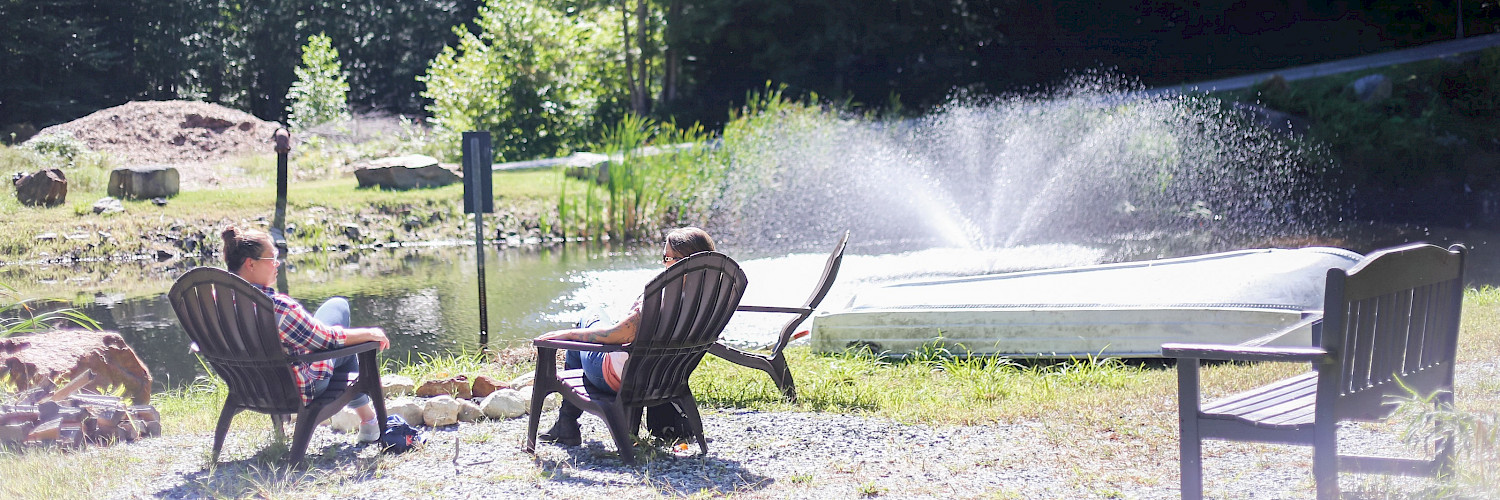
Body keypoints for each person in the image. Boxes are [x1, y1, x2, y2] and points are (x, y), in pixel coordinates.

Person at [534, 227, 716, 445]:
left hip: (620, 378)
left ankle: (566, 422)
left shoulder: (663, 296)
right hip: (668, 378)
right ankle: (566, 423)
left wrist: (567, 334)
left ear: (684, 261)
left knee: (587, 318)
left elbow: (616, 335)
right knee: (593, 320)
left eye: (668, 257)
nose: (664, 263)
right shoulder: (712, 298)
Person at [221, 225, 391, 442]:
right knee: (341, 317)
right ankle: (369, 422)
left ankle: (369, 422)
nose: (277, 264)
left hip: (248, 385)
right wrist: (369, 333)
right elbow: (327, 340)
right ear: (250, 263)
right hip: (297, 386)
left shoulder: (216, 302)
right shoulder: (276, 307)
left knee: (335, 326)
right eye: (272, 258)